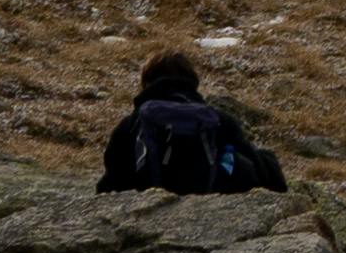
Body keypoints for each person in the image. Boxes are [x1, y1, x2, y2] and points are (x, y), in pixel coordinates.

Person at [95, 50, 284, 191]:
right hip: (212, 202)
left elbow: (111, 180)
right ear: (193, 82)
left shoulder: (131, 123)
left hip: (145, 203)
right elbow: (262, 171)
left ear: (146, 83)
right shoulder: (218, 120)